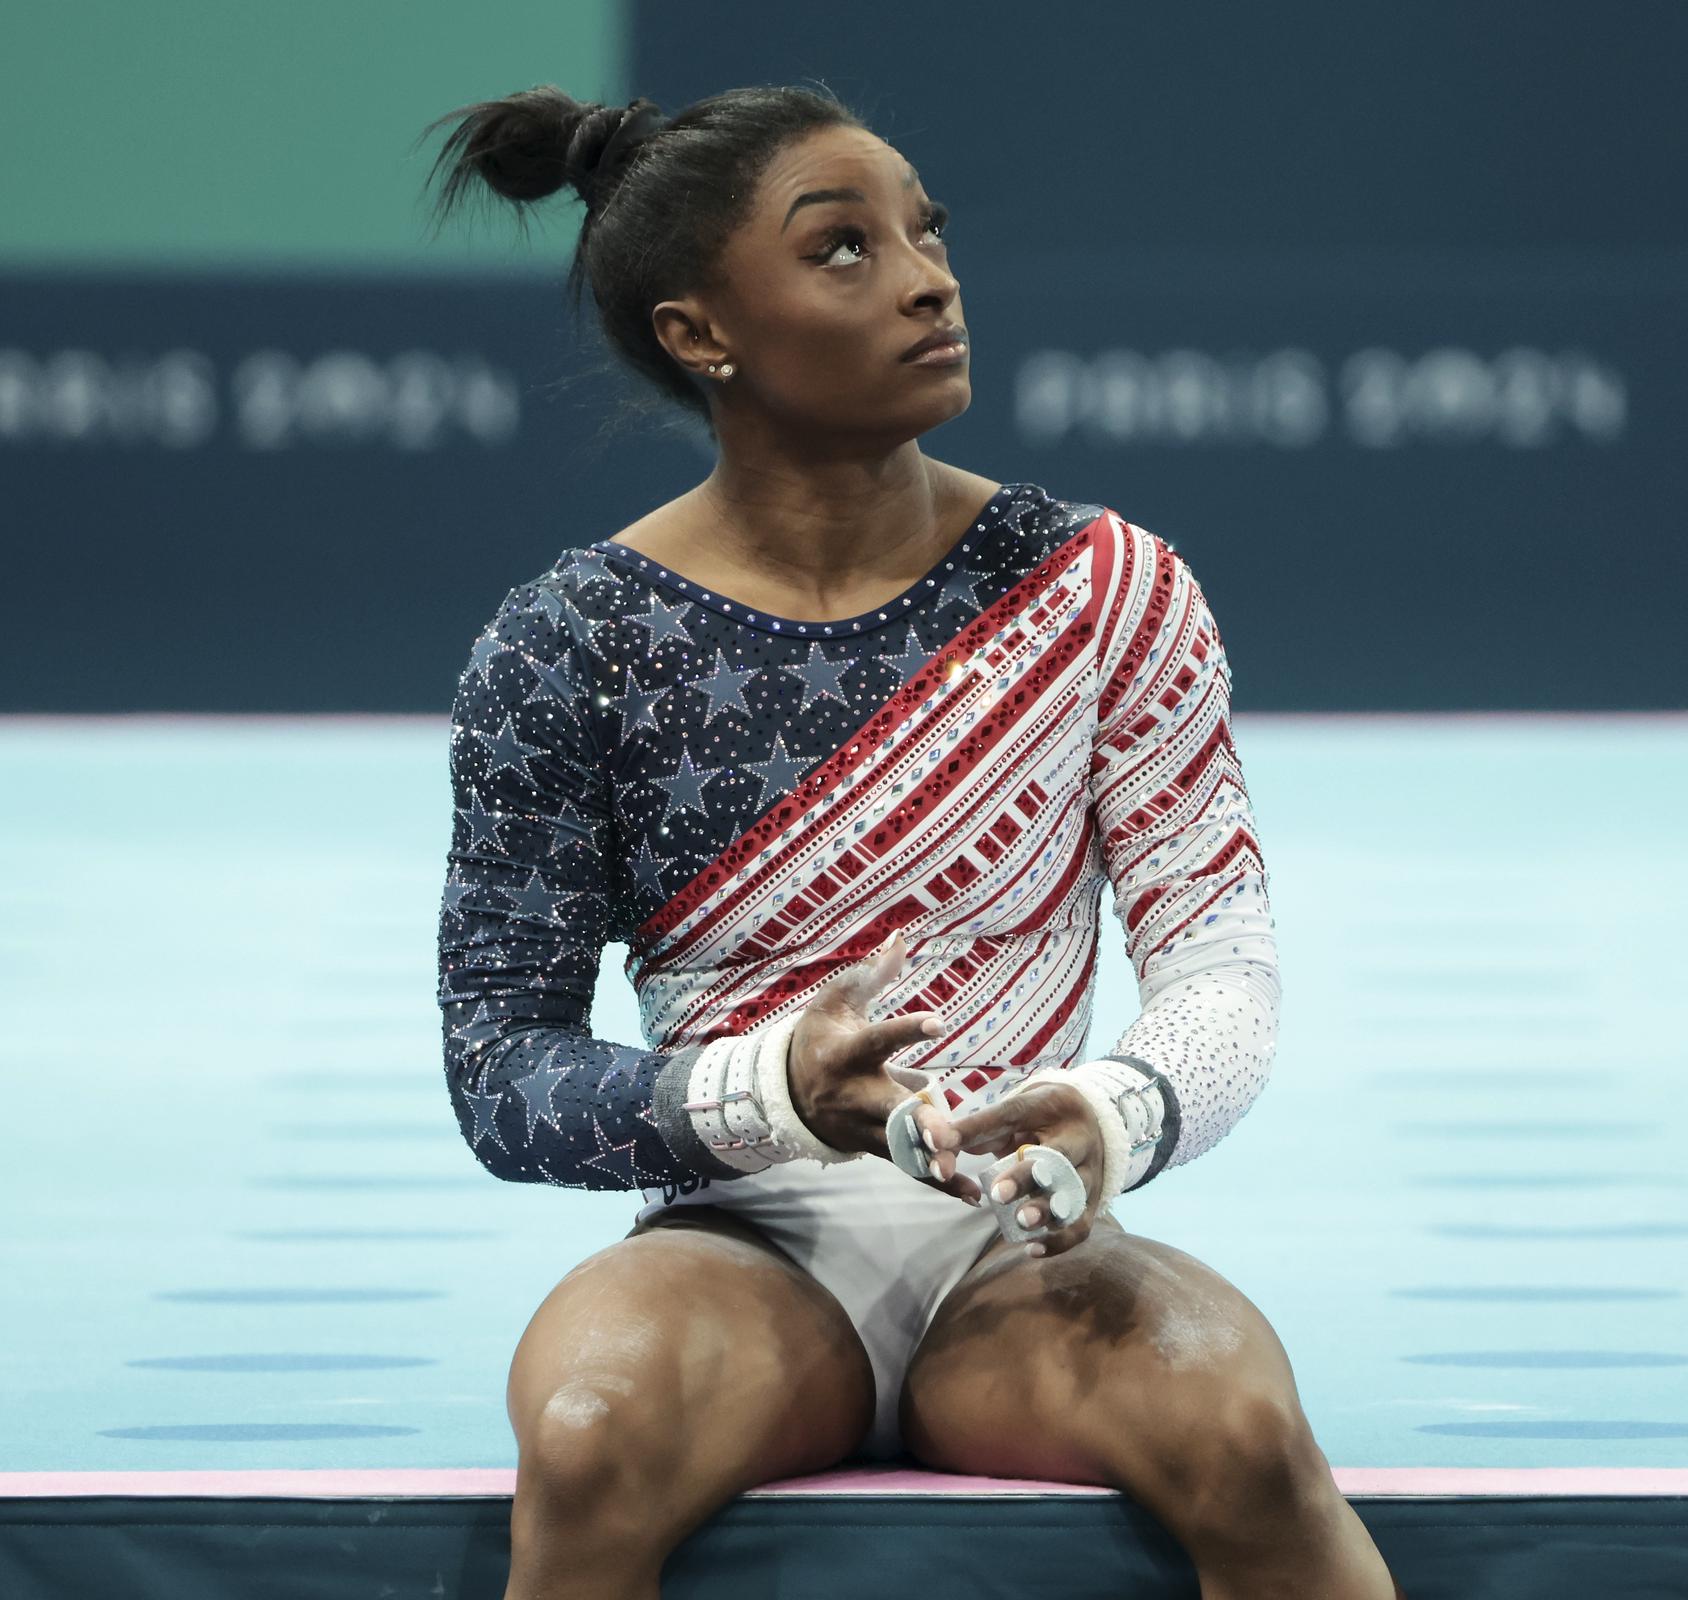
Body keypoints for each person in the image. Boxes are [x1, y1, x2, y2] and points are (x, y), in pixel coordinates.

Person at [421, 84, 1408, 1599]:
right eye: (842, 249)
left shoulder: (1104, 589)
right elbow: (502, 1073)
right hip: (738, 1247)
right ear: (700, 333)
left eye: (925, 234)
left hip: (1021, 1255)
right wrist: (772, 1094)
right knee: (588, 1433)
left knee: (1251, 1444)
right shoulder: (569, 647)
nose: (928, 277)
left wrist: (1112, 1111)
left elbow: (1221, 959)